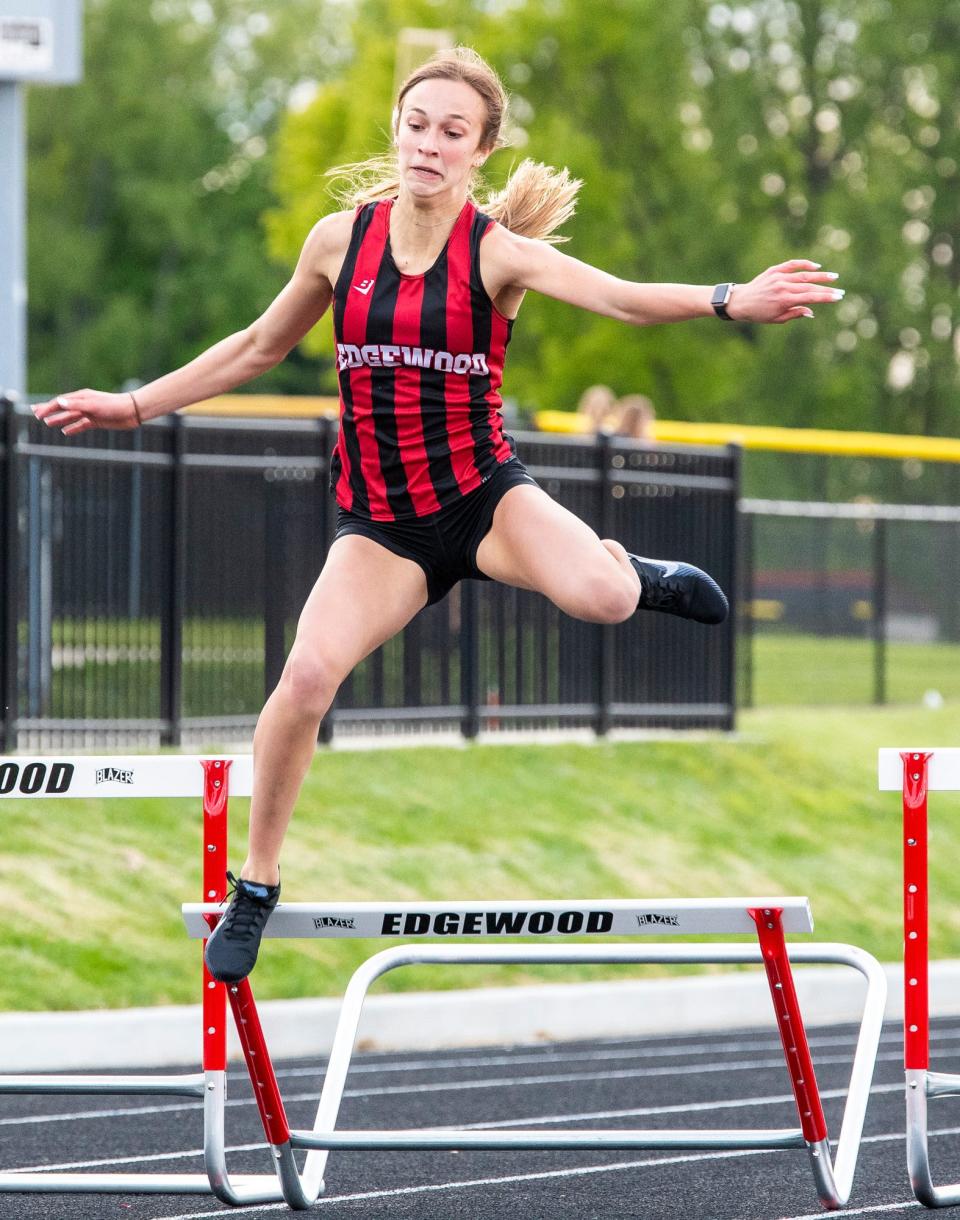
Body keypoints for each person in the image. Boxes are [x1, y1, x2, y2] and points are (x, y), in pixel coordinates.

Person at [34, 47, 843, 983]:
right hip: (382, 528)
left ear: (480, 150)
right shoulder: (340, 244)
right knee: (303, 680)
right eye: (417, 125)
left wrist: (729, 299)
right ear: (398, 130)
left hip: (483, 500)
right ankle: (254, 885)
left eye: (452, 133)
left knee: (603, 601)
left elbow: (618, 301)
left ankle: (630, 568)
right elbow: (257, 347)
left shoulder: (497, 253)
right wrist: (132, 408)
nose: (429, 145)